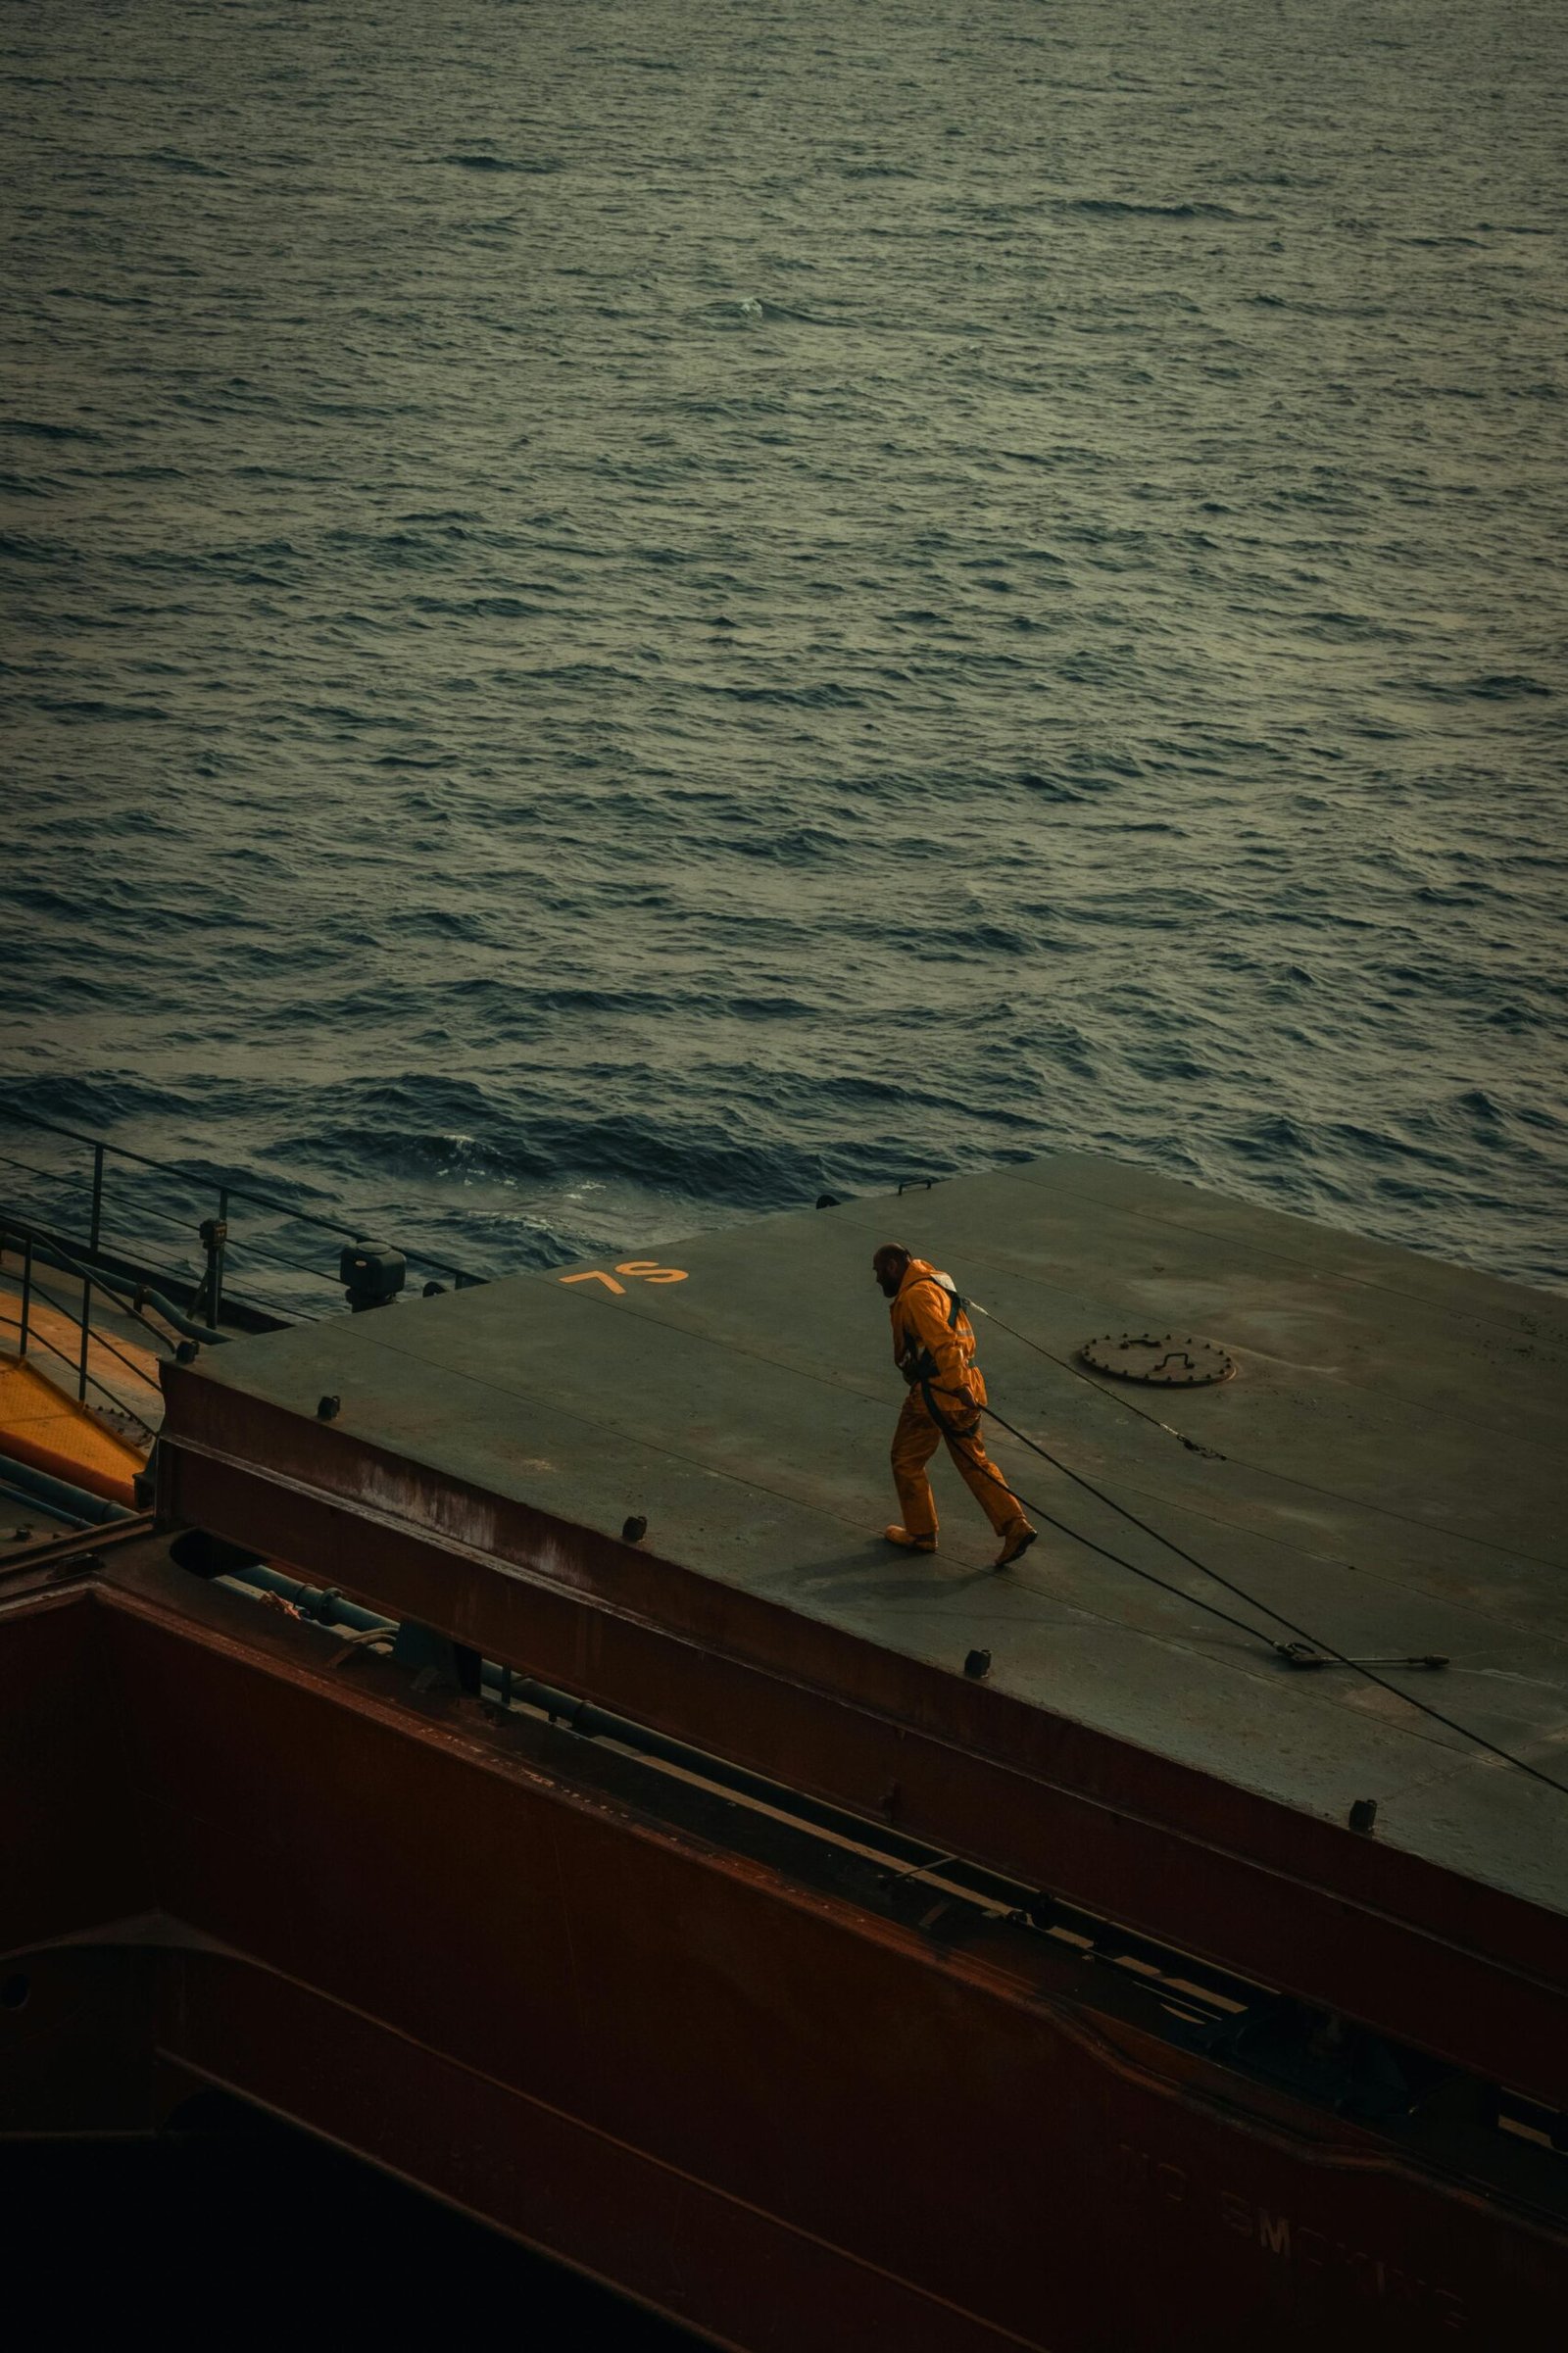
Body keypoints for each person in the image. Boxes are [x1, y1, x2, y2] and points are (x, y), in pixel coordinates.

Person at [872, 1243, 1037, 1569]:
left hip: (937, 1394)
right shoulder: (938, 1284)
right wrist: (963, 1384)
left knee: (906, 1459)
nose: (877, 1280)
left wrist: (957, 1384)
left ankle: (921, 1533)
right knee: (975, 1462)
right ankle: (1015, 1525)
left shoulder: (918, 1296)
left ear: (892, 1266)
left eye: (878, 1272)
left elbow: (943, 1340)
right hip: (967, 1388)